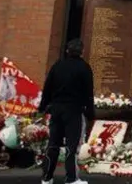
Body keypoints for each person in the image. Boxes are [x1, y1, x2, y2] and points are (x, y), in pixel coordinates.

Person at [38, 39, 95, 184]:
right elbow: (88, 93)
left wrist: (42, 107)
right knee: (72, 145)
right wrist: (90, 113)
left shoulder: (57, 66)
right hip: (74, 110)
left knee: (53, 144)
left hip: (56, 109)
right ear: (82, 52)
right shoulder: (84, 68)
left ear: (67, 51)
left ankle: (47, 177)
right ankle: (71, 178)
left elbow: (47, 88)